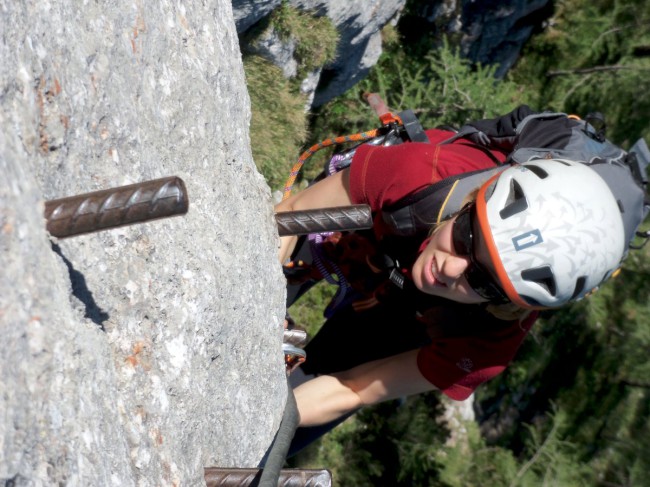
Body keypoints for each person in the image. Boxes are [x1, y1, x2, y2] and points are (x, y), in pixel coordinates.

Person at [275, 105, 648, 455]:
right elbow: (292, 213)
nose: (450, 269)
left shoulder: (487, 340)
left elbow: (353, 388)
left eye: (482, 280)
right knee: (301, 250)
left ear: (509, 302)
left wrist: (262, 418)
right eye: (467, 239)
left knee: (297, 415)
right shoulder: (428, 175)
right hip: (392, 222)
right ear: (471, 204)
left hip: (426, 312)